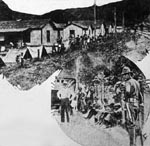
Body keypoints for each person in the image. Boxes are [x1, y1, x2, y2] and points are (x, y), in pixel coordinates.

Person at [121, 66, 142, 146]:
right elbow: (140, 95)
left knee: (130, 124)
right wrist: (141, 103)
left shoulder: (128, 82)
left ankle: (132, 144)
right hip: (137, 104)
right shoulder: (137, 82)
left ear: (128, 74)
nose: (123, 76)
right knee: (134, 123)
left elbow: (128, 91)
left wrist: (124, 95)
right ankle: (135, 142)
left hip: (130, 104)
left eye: (124, 75)